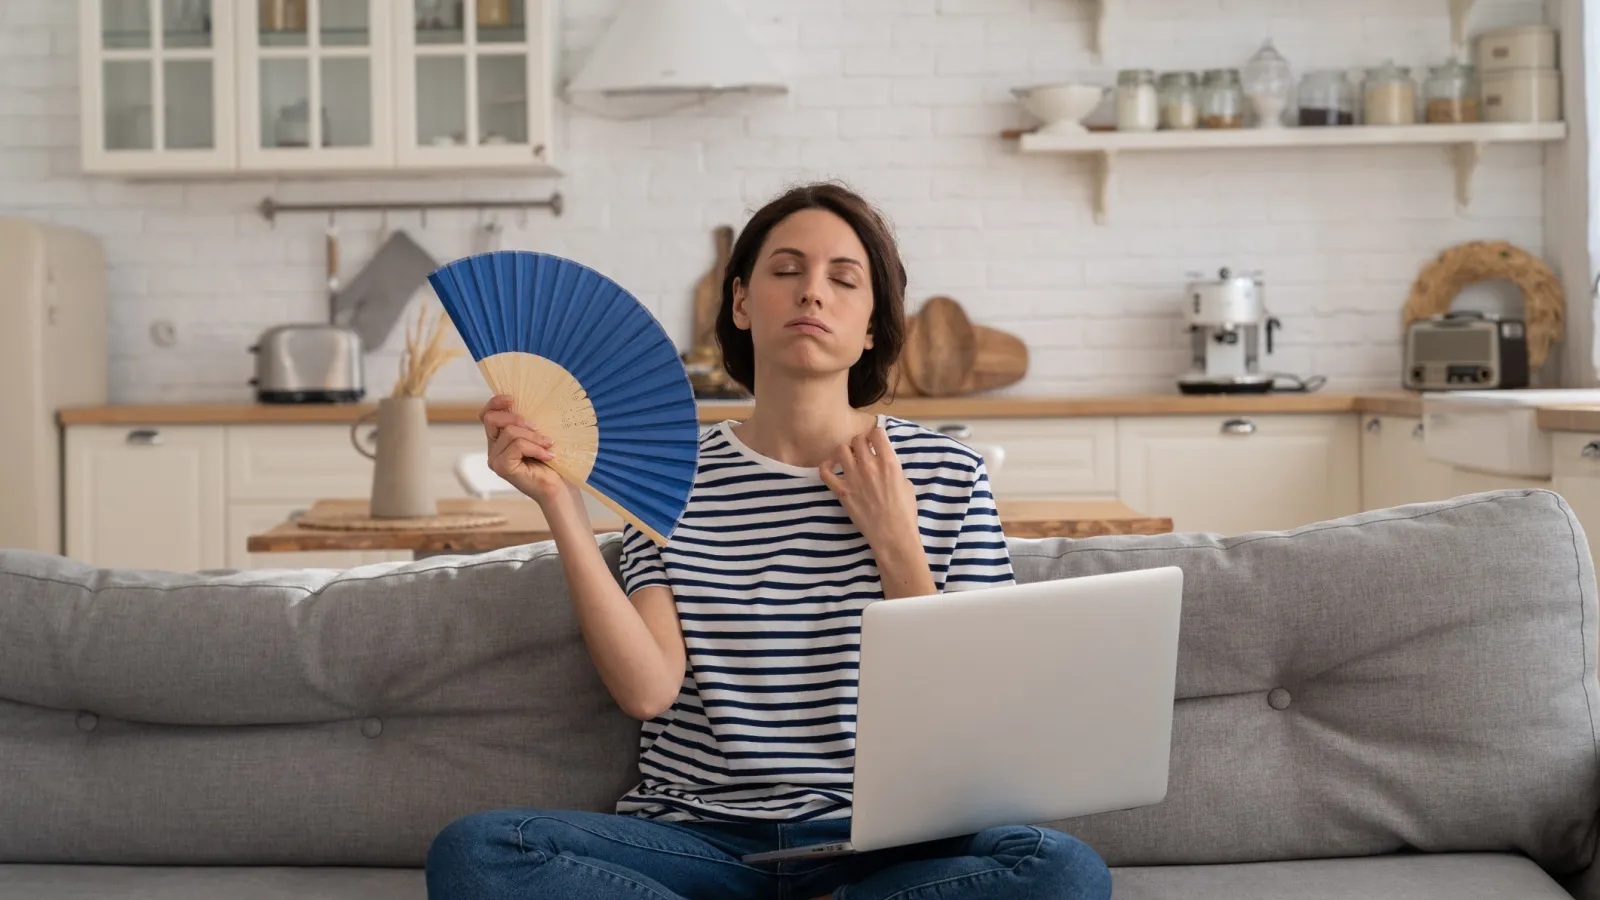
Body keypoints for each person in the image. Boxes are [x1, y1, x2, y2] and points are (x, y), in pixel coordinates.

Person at [425, 182, 1113, 900]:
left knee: (1060, 870)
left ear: (874, 324)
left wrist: (897, 544)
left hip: (883, 844)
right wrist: (560, 502)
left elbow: (982, 710)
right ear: (743, 303)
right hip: (700, 842)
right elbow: (647, 689)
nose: (812, 293)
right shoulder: (669, 474)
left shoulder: (946, 475)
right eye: (786, 271)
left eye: (844, 280)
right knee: (481, 852)